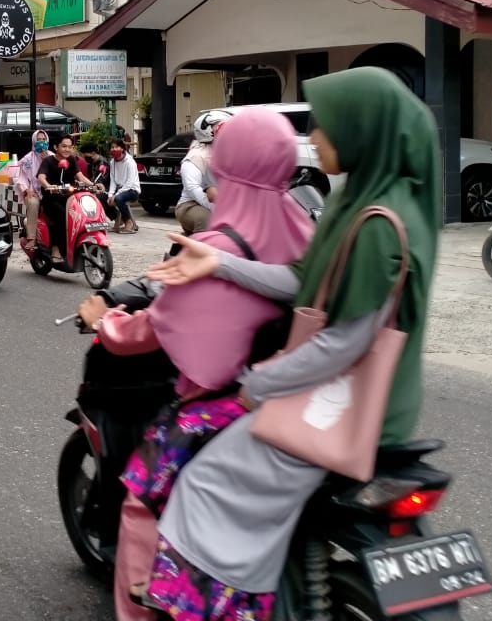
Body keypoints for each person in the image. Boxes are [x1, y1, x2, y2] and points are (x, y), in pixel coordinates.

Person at [139, 67, 440, 619]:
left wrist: (260, 385)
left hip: (335, 405)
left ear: (360, 132)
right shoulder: (367, 201)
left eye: (325, 129)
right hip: (356, 399)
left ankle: (213, 605)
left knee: (201, 481)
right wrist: (221, 263)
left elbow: (346, 342)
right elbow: (306, 280)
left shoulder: (375, 220)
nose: (313, 142)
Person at [76, 107, 315, 621]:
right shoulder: (309, 232)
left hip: (227, 403)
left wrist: (103, 322)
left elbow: (154, 328)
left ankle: (151, 603)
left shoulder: (214, 246)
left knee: (141, 498)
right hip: (302, 393)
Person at [174, 111, 231, 235]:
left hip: (219, 201)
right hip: (190, 205)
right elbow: (193, 188)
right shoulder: (195, 157)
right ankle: (199, 250)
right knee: (206, 219)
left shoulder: (226, 154)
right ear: (208, 131)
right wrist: (217, 208)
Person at [38, 135, 92, 261]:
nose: (67, 149)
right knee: (64, 217)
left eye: (70, 147)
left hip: (68, 198)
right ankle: (56, 248)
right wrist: (49, 186)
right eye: (64, 146)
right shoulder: (48, 161)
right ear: (56, 147)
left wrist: (94, 185)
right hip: (51, 199)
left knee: (83, 215)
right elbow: (41, 177)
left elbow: (80, 176)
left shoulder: (72, 160)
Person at [13, 130, 50, 249]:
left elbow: (57, 174)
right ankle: (31, 238)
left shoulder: (53, 157)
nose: (41, 142)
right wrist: (26, 189)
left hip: (50, 192)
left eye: (43, 140)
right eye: (38, 140)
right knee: (33, 204)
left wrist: (47, 162)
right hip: (33, 192)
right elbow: (20, 175)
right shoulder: (28, 159)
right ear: (34, 141)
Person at [105, 138, 142, 234]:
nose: (114, 149)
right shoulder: (112, 162)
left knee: (119, 198)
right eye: (112, 147)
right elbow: (113, 180)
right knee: (102, 197)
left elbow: (130, 182)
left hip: (132, 190)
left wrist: (116, 195)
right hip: (119, 189)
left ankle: (128, 222)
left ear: (122, 148)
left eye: (116, 147)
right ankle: (118, 220)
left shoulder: (130, 162)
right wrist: (110, 195)